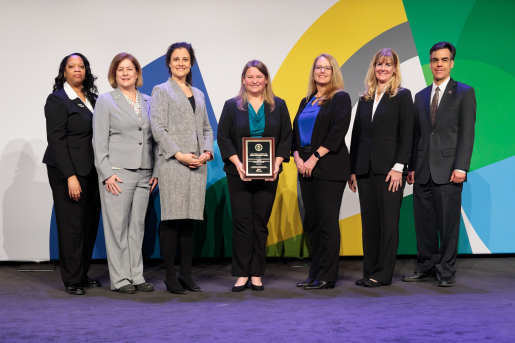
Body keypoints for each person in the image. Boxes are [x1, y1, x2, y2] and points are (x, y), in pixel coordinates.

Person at [402, 42, 476, 287]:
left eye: (444, 60)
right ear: (430, 63)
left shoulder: (464, 92)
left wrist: (461, 167)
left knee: (448, 226)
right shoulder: (420, 96)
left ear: (451, 63)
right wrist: (411, 166)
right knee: (424, 225)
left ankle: (446, 272)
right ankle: (425, 266)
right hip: (422, 171)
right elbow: (416, 135)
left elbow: (466, 134)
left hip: (449, 171)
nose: (439, 64)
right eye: (435, 60)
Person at [217, 60, 292, 292]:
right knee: (242, 224)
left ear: (266, 79)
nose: (254, 80)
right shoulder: (232, 106)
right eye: (250, 76)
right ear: (243, 79)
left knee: (259, 223)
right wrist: (238, 163)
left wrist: (277, 164)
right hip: (237, 174)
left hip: (268, 175)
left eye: (259, 76)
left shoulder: (278, 105)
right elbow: (223, 137)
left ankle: (257, 273)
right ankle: (241, 274)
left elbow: (286, 137)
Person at [150, 42, 214, 294]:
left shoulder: (198, 94)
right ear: (168, 63)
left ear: (191, 63)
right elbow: (158, 128)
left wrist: (207, 152)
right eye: (176, 59)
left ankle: (186, 274)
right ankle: (169, 275)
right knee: (171, 219)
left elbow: (207, 128)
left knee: (189, 221)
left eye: (185, 59)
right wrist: (179, 154)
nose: (180, 63)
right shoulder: (161, 90)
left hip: (197, 165)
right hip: (173, 164)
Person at [93, 53, 158, 294]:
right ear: (114, 74)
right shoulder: (106, 101)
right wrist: (107, 173)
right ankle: (120, 279)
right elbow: (99, 141)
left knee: (137, 227)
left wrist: (157, 171)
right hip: (118, 173)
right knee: (117, 228)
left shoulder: (150, 101)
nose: (125, 73)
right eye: (120, 69)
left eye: (130, 69)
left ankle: (136, 276)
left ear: (138, 74)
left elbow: (156, 140)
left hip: (144, 172)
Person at [348, 48, 414, 288]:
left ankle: (383, 274)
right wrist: (353, 170)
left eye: (388, 64)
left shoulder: (403, 96)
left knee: (388, 223)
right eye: (379, 64)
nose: (383, 68)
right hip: (365, 170)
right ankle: (370, 271)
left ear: (395, 68)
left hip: (390, 171)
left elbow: (407, 134)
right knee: (370, 223)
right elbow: (356, 136)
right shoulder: (364, 98)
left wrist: (399, 167)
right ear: (373, 67)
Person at [43, 53, 101, 295]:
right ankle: (71, 279)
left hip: (91, 168)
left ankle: (82, 273)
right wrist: (70, 176)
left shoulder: (94, 99)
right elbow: (56, 139)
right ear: (64, 72)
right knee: (71, 225)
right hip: (66, 170)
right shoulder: (57, 99)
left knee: (88, 223)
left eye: (81, 66)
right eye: (72, 66)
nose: (77, 70)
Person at [292, 54, 352, 290]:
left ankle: (327, 276)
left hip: (328, 168)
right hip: (305, 168)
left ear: (333, 71)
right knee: (313, 223)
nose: (322, 71)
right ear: (313, 71)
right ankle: (314, 272)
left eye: (327, 68)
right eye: (318, 67)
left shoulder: (340, 98)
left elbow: (338, 132)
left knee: (327, 222)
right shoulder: (306, 100)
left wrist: (314, 158)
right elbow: (295, 134)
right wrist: (298, 158)